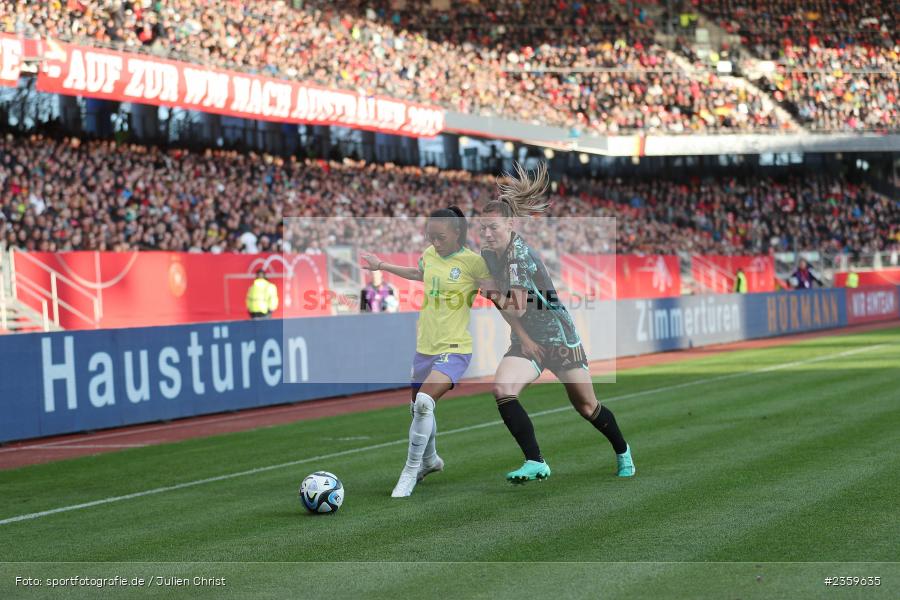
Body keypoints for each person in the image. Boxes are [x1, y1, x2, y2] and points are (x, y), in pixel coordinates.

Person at [478, 162, 635, 483]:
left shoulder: (518, 255)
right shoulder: (490, 253)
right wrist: (522, 337)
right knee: (502, 389)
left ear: (510, 225)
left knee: (587, 407)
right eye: (483, 227)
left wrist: (492, 294)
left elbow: (516, 306)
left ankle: (623, 451)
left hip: (559, 337)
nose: (487, 233)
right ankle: (535, 461)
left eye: (493, 227)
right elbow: (511, 311)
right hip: (528, 339)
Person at [360, 206, 494, 498]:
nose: (434, 241)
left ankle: (409, 471)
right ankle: (430, 460)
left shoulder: (473, 263)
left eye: (440, 236)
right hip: (425, 347)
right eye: (430, 235)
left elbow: (498, 291)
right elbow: (417, 272)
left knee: (423, 402)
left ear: (457, 233)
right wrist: (381, 265)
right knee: (419, 408)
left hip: (455, 347)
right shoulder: (430, 254)